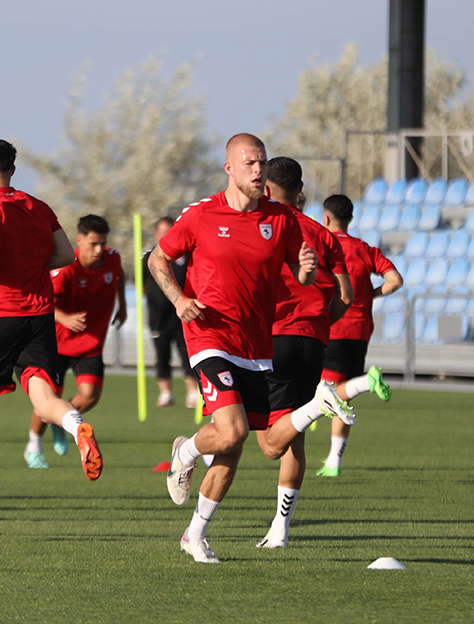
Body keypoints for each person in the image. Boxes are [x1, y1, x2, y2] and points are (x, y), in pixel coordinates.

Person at [149, 133, 342, 563]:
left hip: (256, 347)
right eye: (250, 163)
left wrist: (307, 270)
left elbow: (302, 277)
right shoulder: (201, 215)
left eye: (262, 162)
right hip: (209, 336)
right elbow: (156, 259)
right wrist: (179, 299)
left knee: (233, 448)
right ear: (229, 169)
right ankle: (186, 451)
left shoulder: (282, 219)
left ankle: (194, 535)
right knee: (233, 431)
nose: (258, 170)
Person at [0, 138, 103, 520]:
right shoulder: (38, 206)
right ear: (12, 169)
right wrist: (32, 265)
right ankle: (77, 427)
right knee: (43, 400)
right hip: (39, 316)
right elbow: (66, 255)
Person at [253, 157, 354, 549]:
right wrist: (321, 323)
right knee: (294, 439)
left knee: (269, 444)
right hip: (314, 341)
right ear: (301, 190)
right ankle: (279, 531)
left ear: (266, 189)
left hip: (273, 338)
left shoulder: (264, 227)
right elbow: (346, 296)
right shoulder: (323, 235)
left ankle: (318, 405)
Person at [25, 214, 126, 468]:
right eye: (93, 244)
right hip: (56, 345)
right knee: (47, 401)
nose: (99, 250)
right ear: (79, 241)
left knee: (90, 395)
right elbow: (41, 301)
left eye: (103, 243)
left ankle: (64, 420)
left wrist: (123, 305)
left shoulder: (112, 259)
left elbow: (119, 274)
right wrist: (64, 317)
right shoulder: (66, 269)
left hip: (90, 344)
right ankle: (33, 447)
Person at [316, 194, 402, 477]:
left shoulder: (323, 245)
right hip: (361, 328)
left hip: (333, 326)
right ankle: (334, 461)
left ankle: (368, 381)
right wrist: (369, 295)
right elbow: (395, 280)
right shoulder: (364, 248)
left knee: (324, 394)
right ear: (350, 219)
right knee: (343, 397)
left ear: (325, 218)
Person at [142, 217, 197, 408]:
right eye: (163, 231)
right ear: (157, 233)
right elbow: (142, 285)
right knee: (162, 356)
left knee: (187, 355)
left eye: (170, 230)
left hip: (184, 316)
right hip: (159, 318)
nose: (167, 235)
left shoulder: (187, 257)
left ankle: (193, 393)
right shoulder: (149, 258)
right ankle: (166, 393)